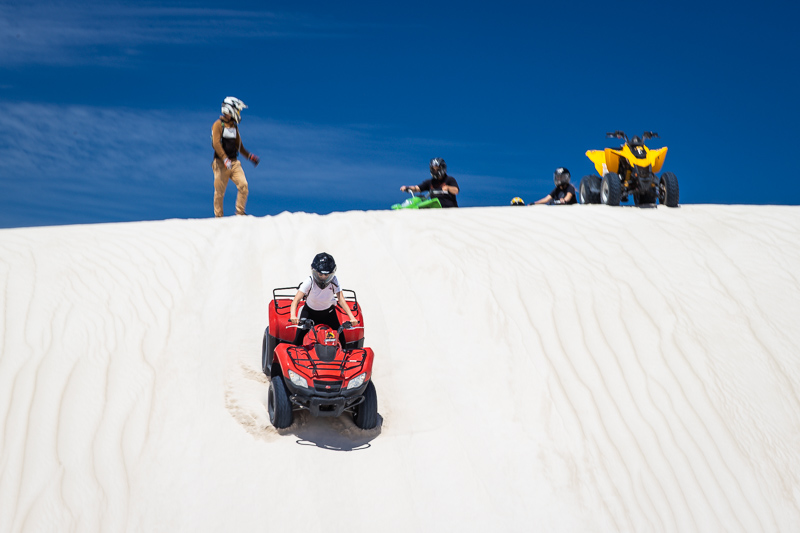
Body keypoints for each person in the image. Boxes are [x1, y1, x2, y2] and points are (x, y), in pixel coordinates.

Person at [289, 252, 359, 345]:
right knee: (297, 341)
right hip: (309, 313)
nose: (323, 278)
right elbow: (296, 300)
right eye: (320, 274)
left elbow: (341, 300)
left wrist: (352, 317)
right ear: (314, 271)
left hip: (329, 314)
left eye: (327, 275)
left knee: (342, 341)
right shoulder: (309, 281)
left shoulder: (334, 281)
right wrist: (293, 316)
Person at [211, 96, 261, 217]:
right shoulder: (218, 125)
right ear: (230, 109)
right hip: (220, 164)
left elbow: (240, 147)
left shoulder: (234, 127)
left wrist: (250, 156)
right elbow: (216, 144)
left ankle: (240, 212)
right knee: (219, 192)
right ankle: (218, 217)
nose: (238, 113)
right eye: (237, 110)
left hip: (233, 163)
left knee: (243, 185)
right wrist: (224, 158)